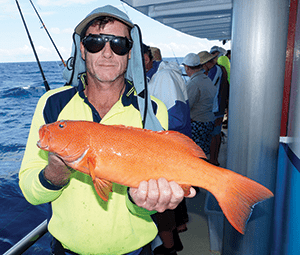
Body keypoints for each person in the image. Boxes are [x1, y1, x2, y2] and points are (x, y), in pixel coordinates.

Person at [19, 5, 195, 255]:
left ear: (130, 52)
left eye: (118, 44)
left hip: (135, 250)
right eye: (95, 42)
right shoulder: (51, 103)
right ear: (82, 49)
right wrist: (53, 175)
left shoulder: (153, 110)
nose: (107, 53)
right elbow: (30, 191)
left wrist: (145, 201)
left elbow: (147, 207)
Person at [143, 44, 191, 255]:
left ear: (146, 58)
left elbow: (177, 118)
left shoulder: (164, 78)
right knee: (173, 195)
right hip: (171, 148)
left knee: (162, 201)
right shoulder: (164, 75)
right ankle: (178, 231)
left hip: (169, 149)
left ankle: (170, 247)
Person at [198, 51, 229, 166]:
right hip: (218, 106)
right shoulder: (218, 69)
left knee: (214, 134)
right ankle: (214, 159)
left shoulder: (215, 71)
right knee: (215, 133)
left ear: (206, 63)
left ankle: (213, 160)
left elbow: (209, 88)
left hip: (215, 108)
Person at [183, 53, 217, 156]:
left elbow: (187, 106)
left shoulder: (193, 83)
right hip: (209, 121)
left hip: (198, 124)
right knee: (204, 152)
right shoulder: (207, 79)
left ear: (187, 67)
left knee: (196, 154)